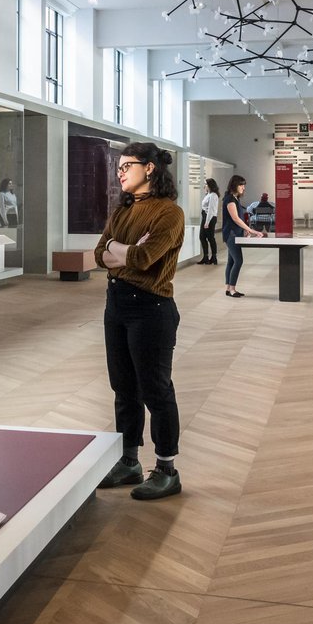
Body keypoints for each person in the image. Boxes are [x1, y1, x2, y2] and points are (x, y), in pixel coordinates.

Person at [93, 142, 186, 501]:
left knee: (156, 391)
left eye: (126, 165)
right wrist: (121, 251)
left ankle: (166, 468)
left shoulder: (169, 213)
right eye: (118, 166)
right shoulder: (123, 210)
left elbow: (145, 258)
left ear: (149, 168)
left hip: (150, 308)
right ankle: (128, 460)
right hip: (116, 304)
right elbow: (99, 255)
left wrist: (120, 250)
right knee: (123, 388)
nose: (120, 172)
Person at [223, 174, 265, 298]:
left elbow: (239, 218)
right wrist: (251, 230)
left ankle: (228, 288)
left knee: (231, 261)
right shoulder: (230, 199)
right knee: (238, 261)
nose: (243, 187)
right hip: (231, 234)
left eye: (244, 185)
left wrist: (245, 230)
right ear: (234, 185)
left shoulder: (235, 199)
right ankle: (232, 289)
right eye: (241, 185)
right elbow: (235, 219)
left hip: (234, 233)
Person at [198, 177, 220, 265]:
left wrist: (207, 222)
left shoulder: (213, 195)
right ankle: (206, 256)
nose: (204, 186)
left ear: (210, 185)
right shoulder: (208, 194)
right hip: (206, 217)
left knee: (210, 237)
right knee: (203, 237)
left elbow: (211, 209)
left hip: (209, 218)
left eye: (206, 184)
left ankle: (213, 257)